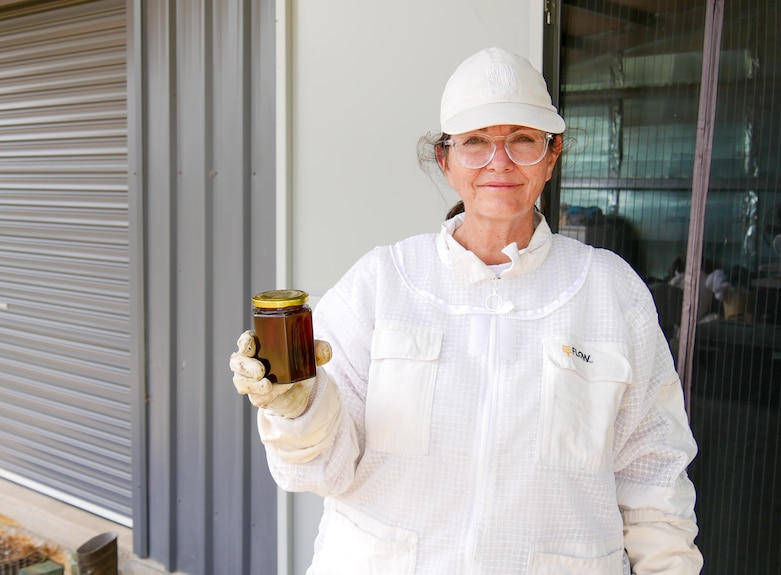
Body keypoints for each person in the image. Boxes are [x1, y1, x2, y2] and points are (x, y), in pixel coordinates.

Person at [230, 47, 703, 575]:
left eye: (522, 140)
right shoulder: (383, 282)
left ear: (553, 156)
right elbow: (320, 469)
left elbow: (655, 477)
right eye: (475, 142)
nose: (499, 161)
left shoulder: (610, 293)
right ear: (445, 160)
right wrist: (298, 409)